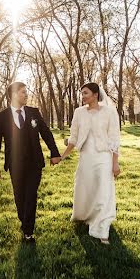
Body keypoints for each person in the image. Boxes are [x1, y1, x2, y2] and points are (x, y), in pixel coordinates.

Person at [0, 82, 62, 243]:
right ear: (15, 94)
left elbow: (46, 133)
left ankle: (28, 231)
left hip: (34, 163)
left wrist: (54, 153)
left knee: (31, 195)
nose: (26, 95)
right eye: (23, 92)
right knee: (19, 196)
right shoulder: (2, 117)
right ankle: (24, 221)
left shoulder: (34, 112)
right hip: (15, 164)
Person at [60, 83, 120, 244]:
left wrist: (115, 163)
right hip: (86, 156)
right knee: (85, 187)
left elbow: (114, 139)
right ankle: (86, 215)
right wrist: (63, 156)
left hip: (103, 157)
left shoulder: (109, 113)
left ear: (95, 95)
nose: (83, 96)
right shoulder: (79, 113)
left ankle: (101, 228)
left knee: (103, 190)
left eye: (86, 93)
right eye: (82, 94)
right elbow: (73, 137)